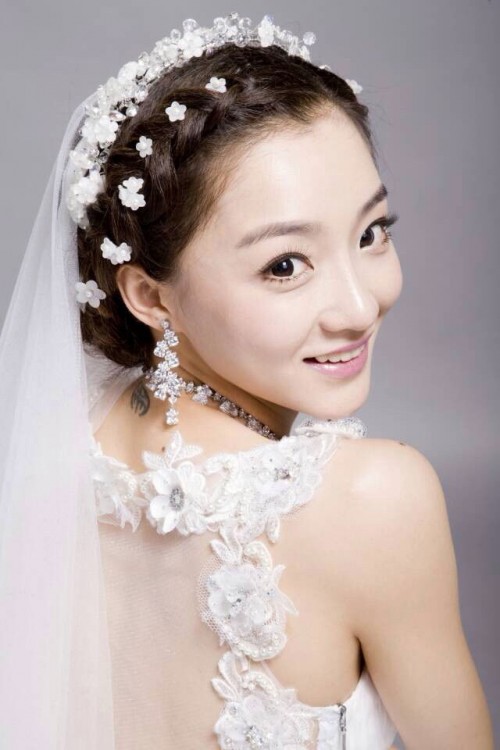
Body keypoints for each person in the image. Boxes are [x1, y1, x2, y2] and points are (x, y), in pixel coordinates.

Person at [0, 11, 493, 749]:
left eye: (372, 233)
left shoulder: (46, 433)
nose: (360, 307)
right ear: (151, 297)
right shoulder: (374, 500)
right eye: (285, 265)